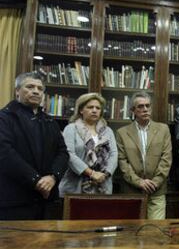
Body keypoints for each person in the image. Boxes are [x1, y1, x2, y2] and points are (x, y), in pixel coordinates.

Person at [0, 72, 68, 220]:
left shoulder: (50, 122)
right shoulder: (4, 117)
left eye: (40, 88)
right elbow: (5, 153)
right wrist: (36, 180)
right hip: (15, 201)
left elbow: (63, 153)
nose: (36, 91)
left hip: (48, 200)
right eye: (30, 87)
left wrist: (53, 177)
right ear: (17, 91)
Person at [116, 91, 172, 219]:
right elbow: (122, 162)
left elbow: (166, 158)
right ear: (133, 110)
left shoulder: (163, 129)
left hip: (157, 190)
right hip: (132, 191)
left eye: (148, 105)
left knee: (155, 231)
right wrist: (139, 182)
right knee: (132, 232)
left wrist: (155, 182)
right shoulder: (122, 133)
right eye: (140, 106)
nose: (145, 109)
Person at [59, 93, 118, 196]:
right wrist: (92, 173)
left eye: (98, 108)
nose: (94, 110)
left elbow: (114, 154)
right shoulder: (71, 129)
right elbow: (69, 154)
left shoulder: (108, 131)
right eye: (90, 107)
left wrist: (105, 174)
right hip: (75, 187)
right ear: (81, 110)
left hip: (102, 186)